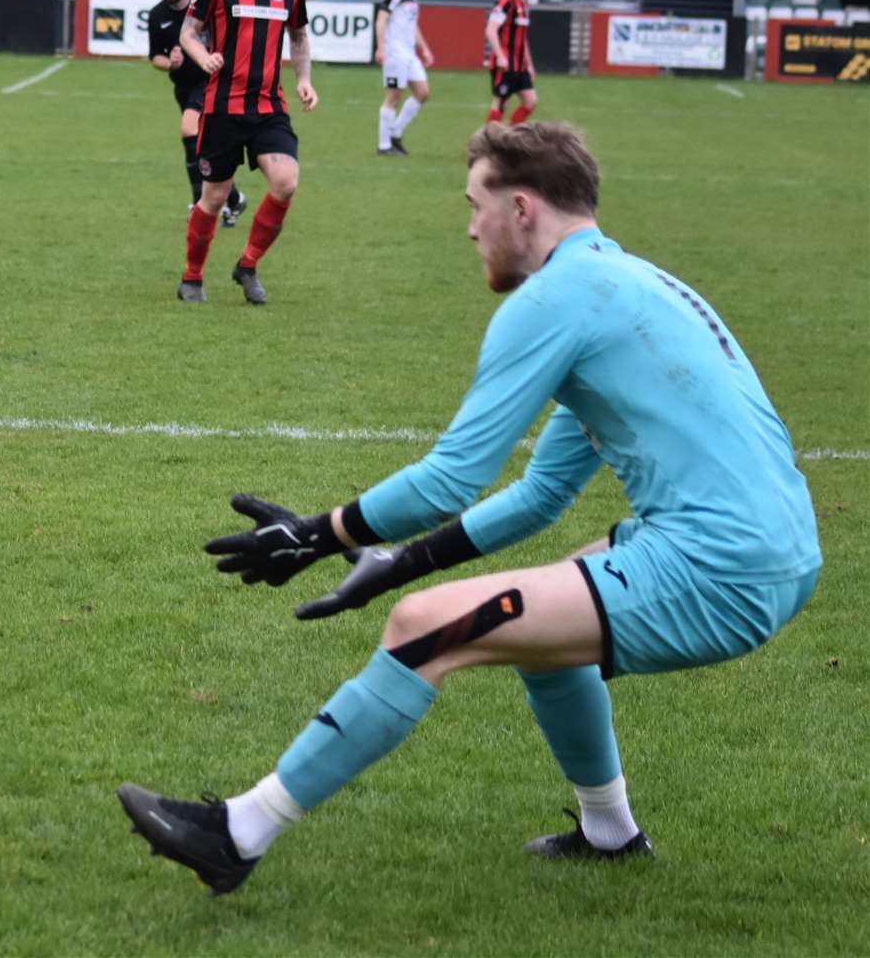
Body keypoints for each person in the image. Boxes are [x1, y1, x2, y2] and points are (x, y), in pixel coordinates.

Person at [118, 121, 820, 894]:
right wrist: (394, 561)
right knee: (538, 634)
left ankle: (238, 833)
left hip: (720, 567)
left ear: (521, 207)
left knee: (423, 628)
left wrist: (318, 535)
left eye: (474, 204)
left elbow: (451, 478)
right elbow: (539, 495)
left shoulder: (557, 297)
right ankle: (609, 835)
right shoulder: (622, 286)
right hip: (772, 552)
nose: (468, 226)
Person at [173, 0, 317, 306]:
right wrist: (204, 57)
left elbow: (300, 37)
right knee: (214, 198)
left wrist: (304, 80)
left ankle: (248, 265)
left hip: (269, 107)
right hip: (222, 108)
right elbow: (188, 32)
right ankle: (192, 277)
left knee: (286, 182)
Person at [148, 0, 246, 229]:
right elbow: (155, 57)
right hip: (183, 87)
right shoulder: (157, 16)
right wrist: (171, 62)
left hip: (211, 81)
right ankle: (235, 198)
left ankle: (197, 204)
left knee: (189, 130)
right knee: (205, 150)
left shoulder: (203, 6)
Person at [375, 0, 434, 156]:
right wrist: (381, 48)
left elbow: (413, 26)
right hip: (394, 53)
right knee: (393, 98)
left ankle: (396, 132)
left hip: (409, 54)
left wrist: (424, 49)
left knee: (423, 93)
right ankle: (384, 146)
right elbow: (381, 20)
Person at [485, 0, 536, 125]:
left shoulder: (524, 6)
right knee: (501, 103)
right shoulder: (505, 2)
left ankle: (509, 137)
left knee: (530, 102)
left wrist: (530, 65)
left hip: (520, 66)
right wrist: (500, 56)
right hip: (505, 65)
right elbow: (490, 29)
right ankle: (488, 144)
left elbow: (523, 39)